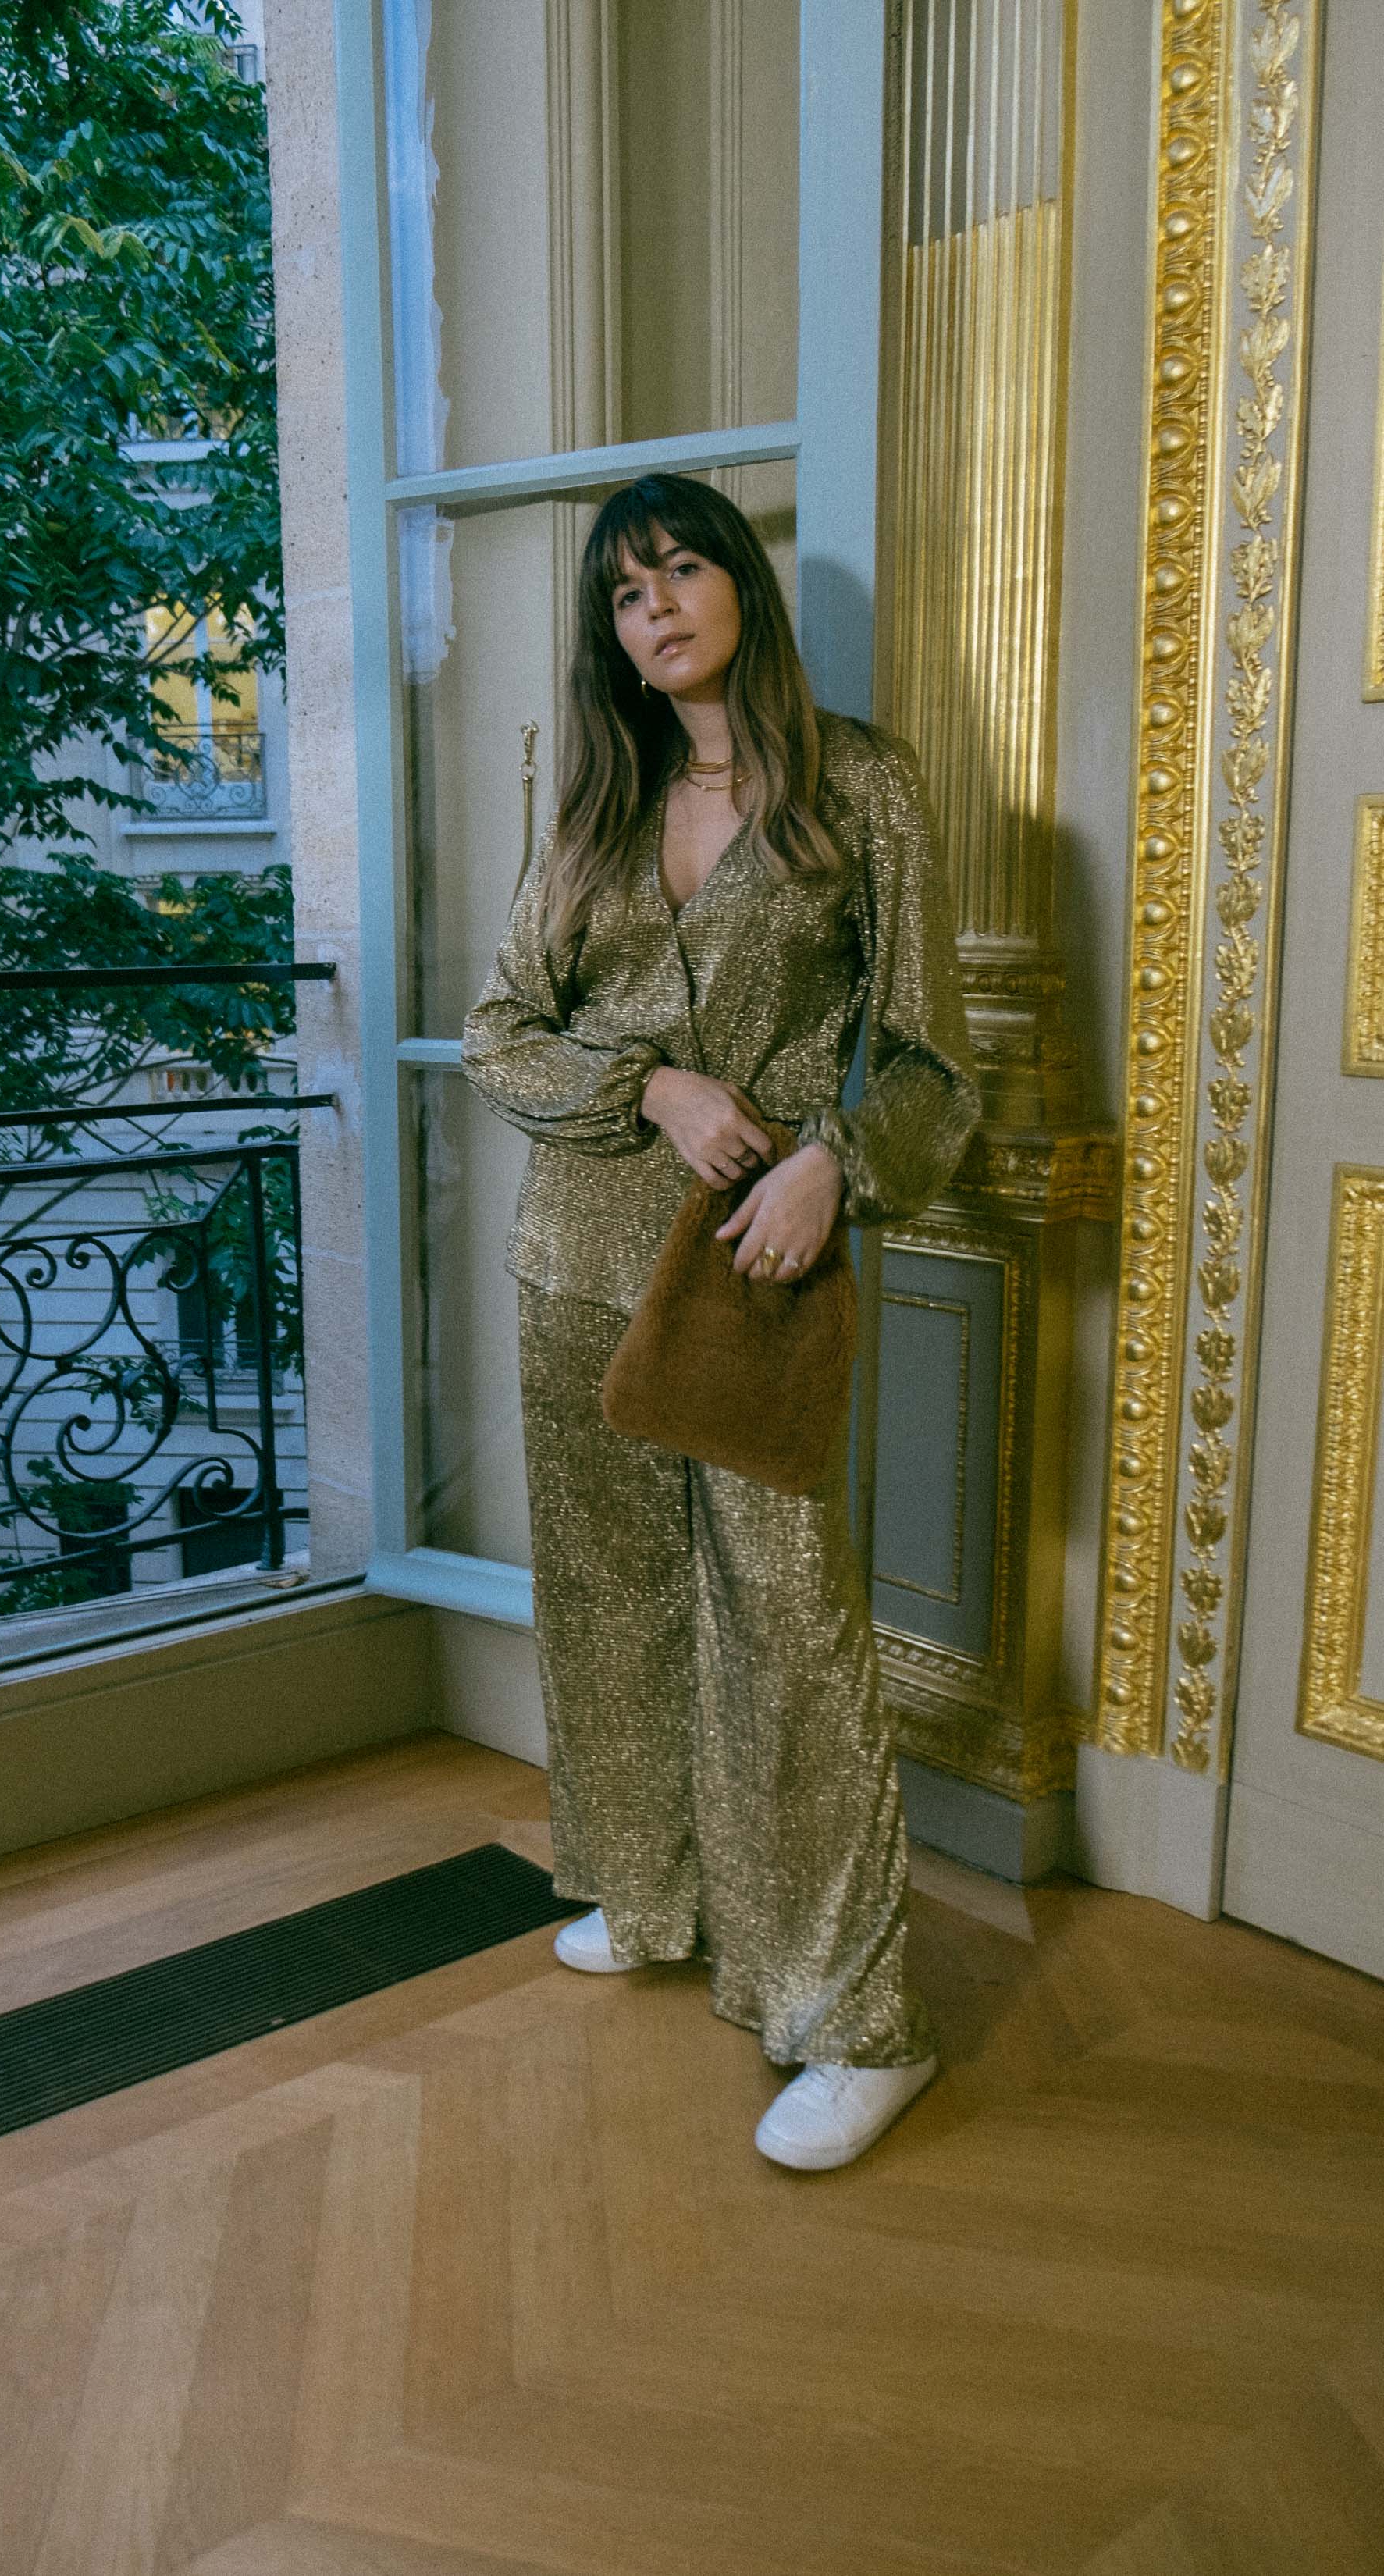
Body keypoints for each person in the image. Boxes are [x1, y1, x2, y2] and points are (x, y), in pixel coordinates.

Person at [461, 473, 980, 2169]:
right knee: (608, 1605)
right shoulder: (590, 803)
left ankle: (852, 2019)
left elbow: (919, 1055)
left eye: (683, 569)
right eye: (625, 592)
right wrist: (658, 1083)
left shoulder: (860, 787)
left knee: (785, 1628)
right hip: (575, 1268)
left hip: (756, 1265)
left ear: (738, 586)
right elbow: (498, 1038)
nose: (659, 607)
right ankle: (652, 1889)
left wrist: (833, 1159)